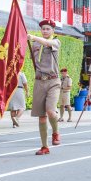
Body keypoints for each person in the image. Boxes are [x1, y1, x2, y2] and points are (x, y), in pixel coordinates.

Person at [27, 19, 61, 155]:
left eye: (48, 29)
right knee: (41, 117)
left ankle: (56, 131)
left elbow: (47, 43)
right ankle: (44, 146)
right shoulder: (35, 44)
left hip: (53, 81)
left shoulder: (56, 42)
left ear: (53, 30)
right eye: (43, 29)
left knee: (51, 111)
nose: (45, 31)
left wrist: (34, 37)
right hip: (39, 81)